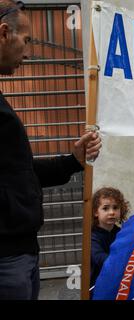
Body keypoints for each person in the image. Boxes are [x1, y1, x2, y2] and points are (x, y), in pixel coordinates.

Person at [0, 0, 102, 300]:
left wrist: (73, 161)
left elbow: (18, 172)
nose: (29, 52)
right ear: (5, 33)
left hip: (21, 256)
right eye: (27, 40)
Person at [90, 187, 129, 292]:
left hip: (117, 282)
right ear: (95, 212)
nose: (111, 212)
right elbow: (99, 258)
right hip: (96, 285)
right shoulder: (92, 236)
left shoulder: (120, 232)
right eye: (106, 208)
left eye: (115, 208)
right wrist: (122, 262)